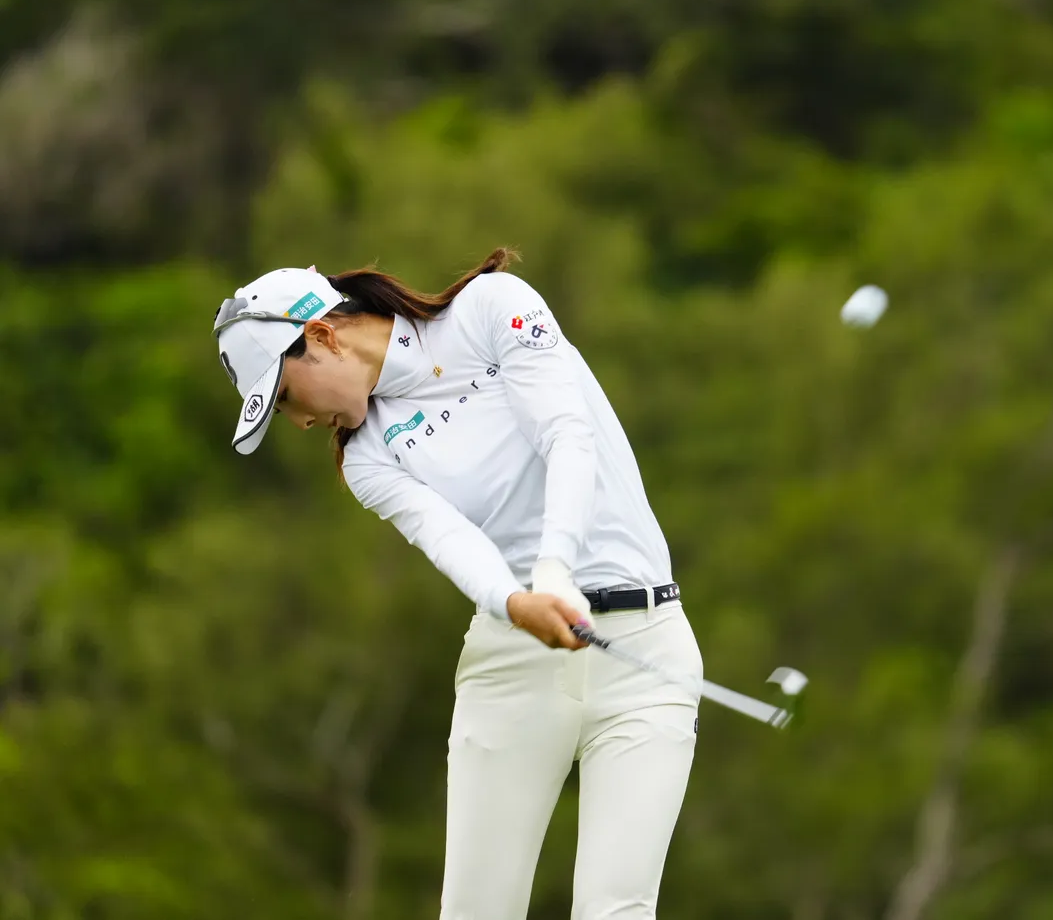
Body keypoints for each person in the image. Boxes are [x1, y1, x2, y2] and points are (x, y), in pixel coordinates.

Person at [212, 248, 702, 920]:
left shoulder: (491, 308)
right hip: (513, 661)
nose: (297, 422)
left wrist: (554, 571)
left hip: (647, 648)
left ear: (322, 336)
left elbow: (567, 434)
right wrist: (517, 601)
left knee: (616, 910)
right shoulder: (367, 456)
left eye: (286, 397)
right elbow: (451, 540)